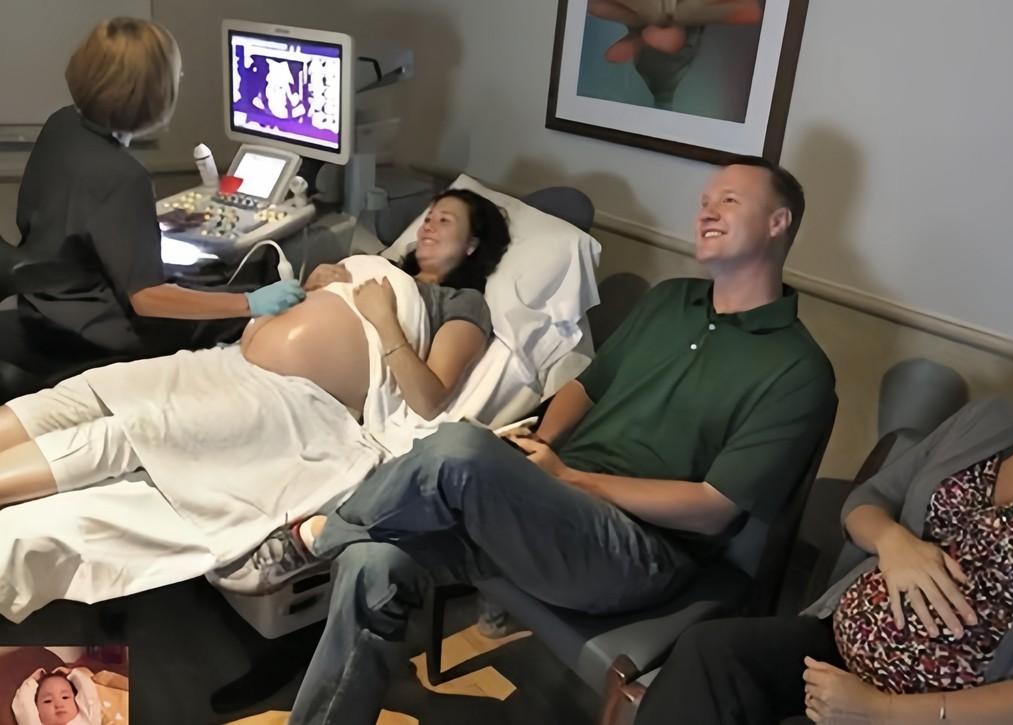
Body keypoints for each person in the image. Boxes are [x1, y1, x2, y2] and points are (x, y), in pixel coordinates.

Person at [230, 155, 838, 724]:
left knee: (459, 447)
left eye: (728, 200)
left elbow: (711, 510)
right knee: (373, 564)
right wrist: (537, 445)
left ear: (778, 223)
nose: (705, 211)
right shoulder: (671, 300)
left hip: (638, 552)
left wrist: (569, 478)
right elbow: (587, 387)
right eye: (705, 200)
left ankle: (316, 537)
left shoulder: (797, 369)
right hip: (553, 513)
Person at [635, 253, 1013, 725]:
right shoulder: (992, 421)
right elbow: (866, 501)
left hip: (945, 712)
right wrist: (895, 544)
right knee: (712, 652)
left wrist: (884, 712)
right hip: (838, 650)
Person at [0, 189, 510, 506]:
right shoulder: (379, 265)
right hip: (233, 363)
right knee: (94, 389)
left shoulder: (459, 302)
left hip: (300, 402)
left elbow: (430, 398)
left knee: (128, 432)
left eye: (445, 220)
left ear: (471, 245)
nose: (428, 224)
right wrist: (313, 285)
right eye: (429, 215)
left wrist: (385, 321)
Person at [1, 17, 305, 389]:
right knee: (237, 301)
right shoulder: (123, 177)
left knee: (204, 280)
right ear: (154, 95)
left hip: (44, 305)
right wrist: (249, 304)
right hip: (94, 331)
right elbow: (148, 299)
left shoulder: (61, 124)